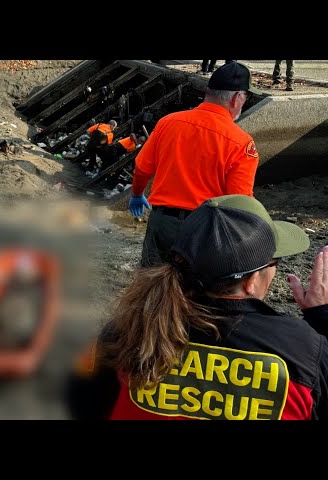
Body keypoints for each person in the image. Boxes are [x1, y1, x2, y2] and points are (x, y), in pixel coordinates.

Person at [65, 193, 328, 420]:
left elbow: (79, 404)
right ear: (250, 281)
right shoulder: (303, 350)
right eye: (274, 263)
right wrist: (321, 318)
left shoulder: (123, 332)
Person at [129, 61, 261, 267]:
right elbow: (239, 200)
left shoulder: (168, 122)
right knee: (193, 291)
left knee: (150, 287)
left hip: (162, 221)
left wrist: (137, 194)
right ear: (237, 98)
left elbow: (142, 168)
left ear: (208, 92)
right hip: (203, 228)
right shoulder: (241, 142)